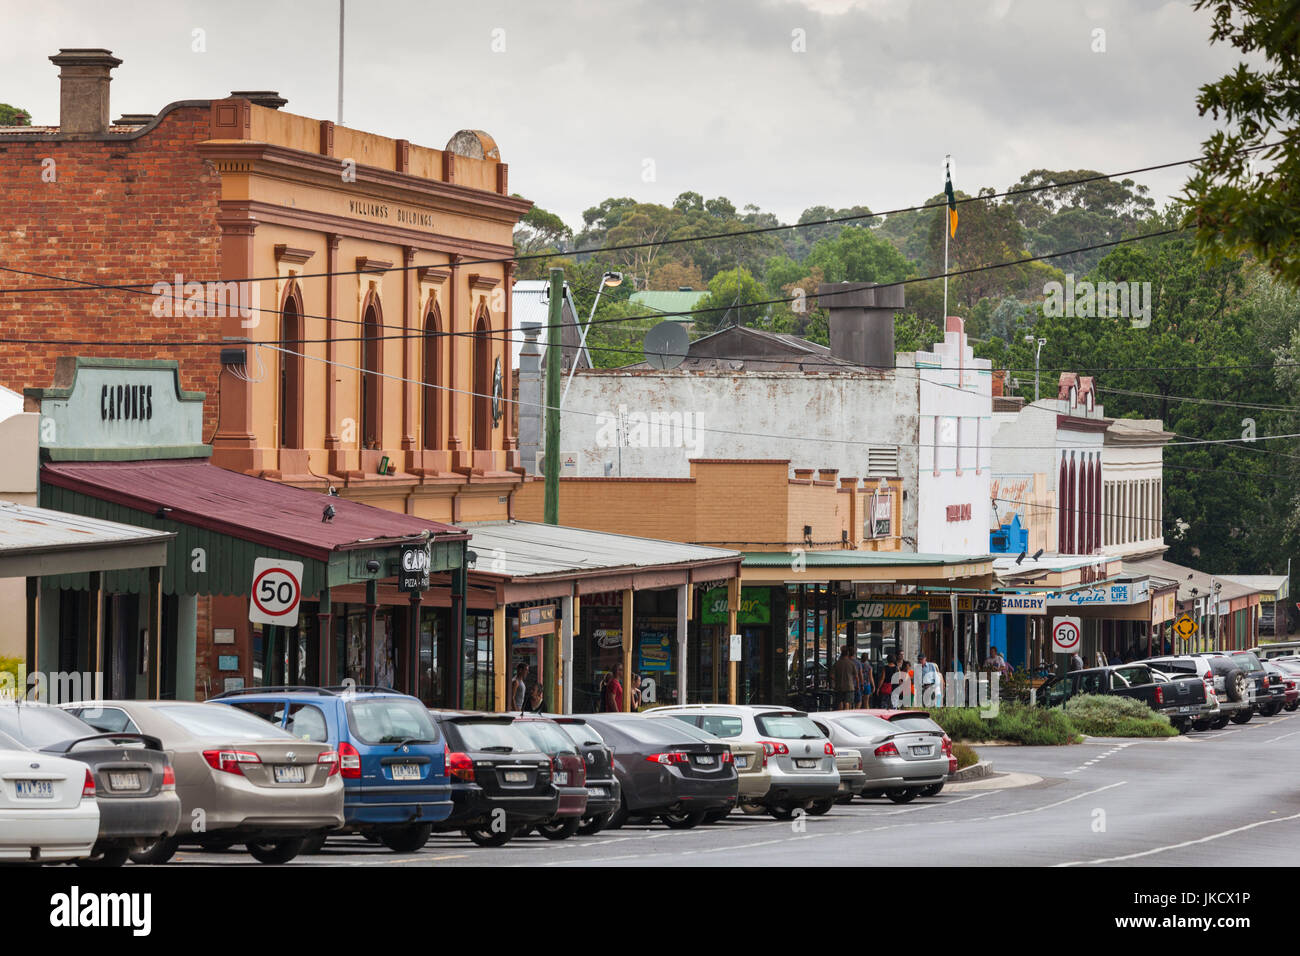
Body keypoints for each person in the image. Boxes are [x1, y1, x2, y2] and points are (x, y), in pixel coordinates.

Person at [831, 645, 859, 710]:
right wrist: (857, 686)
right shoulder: (852, 664)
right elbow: (856, 676)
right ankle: (845, 715)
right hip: (849, 686)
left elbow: (832, 676)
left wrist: (837, 680)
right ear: (848, 654)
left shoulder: (837, 663)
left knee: (840, 702)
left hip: (839, 686)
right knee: (847, 702)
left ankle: (839, 715)